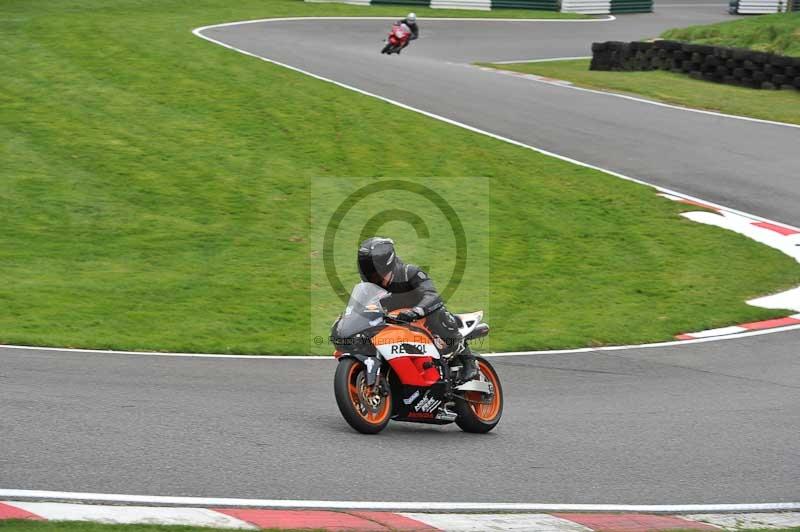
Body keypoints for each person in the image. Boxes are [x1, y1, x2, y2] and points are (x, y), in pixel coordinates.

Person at [357, 237, 478, 381]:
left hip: (423, 320)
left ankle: (468, 360)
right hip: (396, 328)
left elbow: (432, 295)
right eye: (371, 276)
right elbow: (361, 310)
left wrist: (416, 311)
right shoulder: (368, 289)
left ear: (388, 267)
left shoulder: (410, 273)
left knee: (439, 313)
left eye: (377, 276)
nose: (374, 280)